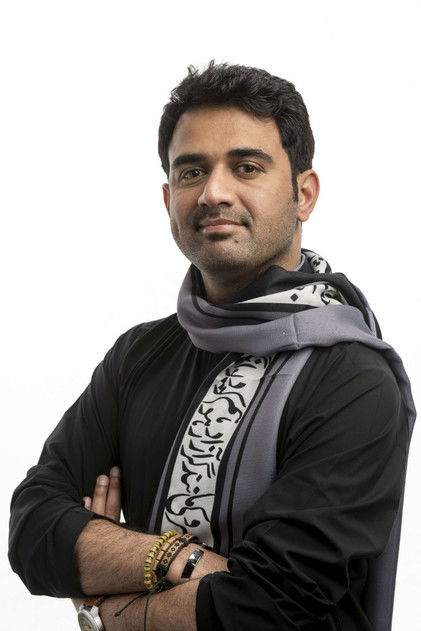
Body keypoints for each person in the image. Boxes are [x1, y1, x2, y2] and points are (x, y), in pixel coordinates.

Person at [8, 60, 416, 631]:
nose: (213, 192)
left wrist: (109, 610)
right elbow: (32, 529)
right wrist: (177, 559)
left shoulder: (352, 376)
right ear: (168, 196)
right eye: (192, 171)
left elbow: (272, 604)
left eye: (246, 167)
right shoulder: (139, 356)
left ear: (303, 194)